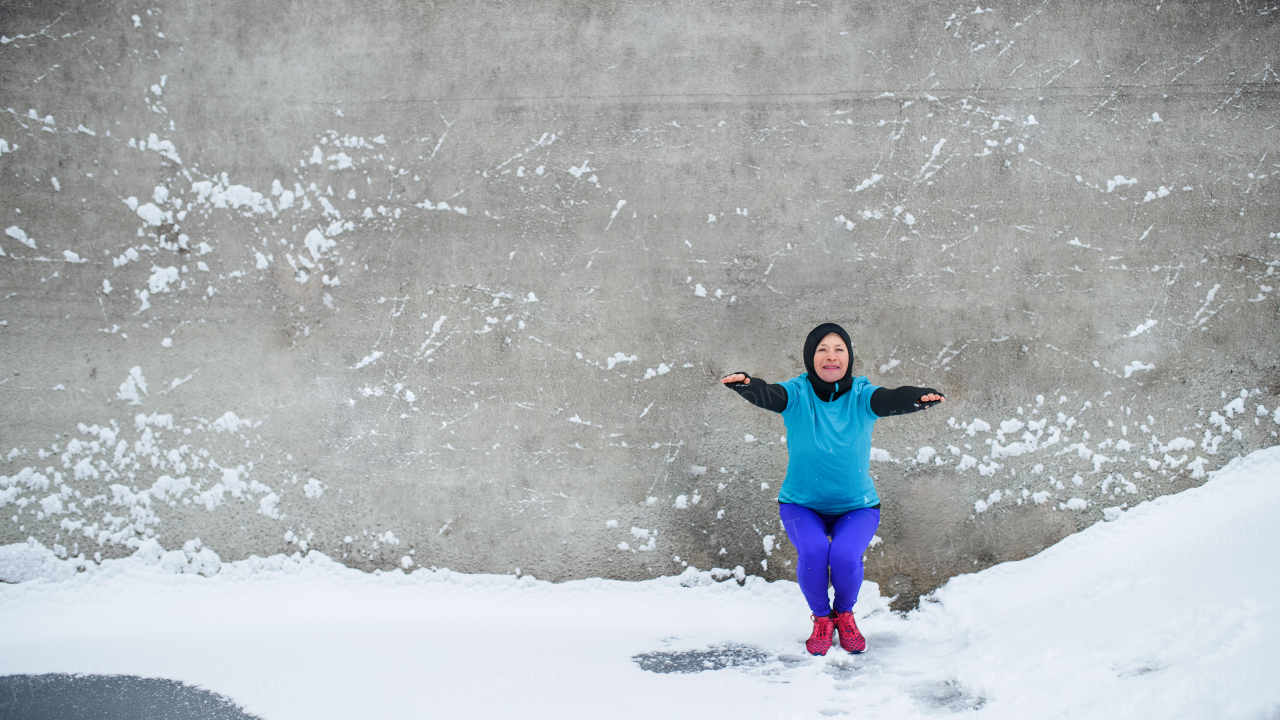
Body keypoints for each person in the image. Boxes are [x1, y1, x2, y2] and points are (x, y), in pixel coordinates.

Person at [721, 322, 944, 656]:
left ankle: (844, 615)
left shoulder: (862, 396)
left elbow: (889, 398)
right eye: (822, 349)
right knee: (813, 553)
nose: (831, 356)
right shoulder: (796, 394)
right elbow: (771, 394)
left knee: (843, 555)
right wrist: (749, 386)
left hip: (857, 506)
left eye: (839, 349)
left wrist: (915, 398)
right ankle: (822, 620)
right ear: (811, 357)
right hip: (801, 504)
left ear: (849, 356)